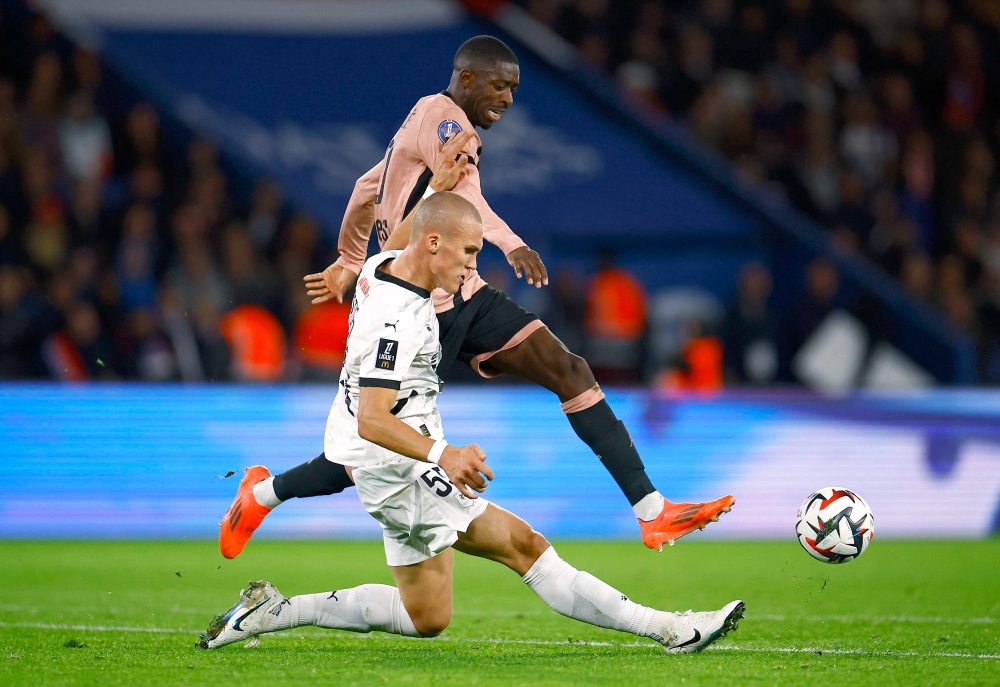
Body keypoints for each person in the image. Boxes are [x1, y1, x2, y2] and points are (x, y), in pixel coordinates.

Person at [219, 36, 734, 559]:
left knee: (569, 369)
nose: (509, 98)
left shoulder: (415, 123)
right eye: (500, 84)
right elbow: (460, 196)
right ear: (466, 77)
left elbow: (363, 188)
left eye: (513, 88)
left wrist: (352, 261)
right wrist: (512, 244)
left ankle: (652, 511)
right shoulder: (450, 125)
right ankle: (260, 495)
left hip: (462, 292)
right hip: (418, 307)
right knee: (374, 452)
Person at [198, 193, 744, 652]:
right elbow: (372, 419)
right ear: (434, 245)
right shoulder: (398, 320)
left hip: (371, 459)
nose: (471, 266)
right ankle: (671, 628)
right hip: (400, 466)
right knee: (526, 548)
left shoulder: (379, 264)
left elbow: (417, 227)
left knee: (426, 616)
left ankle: (273, 610)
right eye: (469, 251)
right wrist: (446, 455)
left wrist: (438, 184)